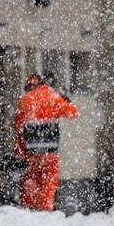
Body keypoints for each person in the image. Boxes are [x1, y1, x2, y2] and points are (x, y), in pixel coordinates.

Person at [14, 72, 78, 211]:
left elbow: (18, 128)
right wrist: (65, 98)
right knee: (48, 183)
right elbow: (73, 113)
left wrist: (19, 151)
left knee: (30, 182)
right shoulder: (53, 98)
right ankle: (46, 209)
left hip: (31, 152)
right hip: (50, 151)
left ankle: (30, 210)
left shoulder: (25, 100)